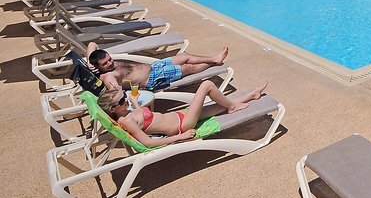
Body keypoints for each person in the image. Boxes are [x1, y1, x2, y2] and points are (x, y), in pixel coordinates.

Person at [98, 80, 268, 147]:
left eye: (124, 96)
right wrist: (180, 137)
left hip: (180, 116)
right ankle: (233, 107)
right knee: (207, 85)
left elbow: (138, 114)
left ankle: (251, 95)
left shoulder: (125, 112)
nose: (125, 100)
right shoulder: (126, 122)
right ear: (112, 109)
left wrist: (134, 100)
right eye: (121, 101)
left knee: (220, 105)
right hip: (182, 125)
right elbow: (148, 142)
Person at [87, 42, 228, 91]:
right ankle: (214, 62)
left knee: (185, 56)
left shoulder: (100, 61)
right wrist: (133, 89)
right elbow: (115, 92)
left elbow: (92, 44)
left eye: (109, 59)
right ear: (98, 67)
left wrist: (88, 60)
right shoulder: (108, 77)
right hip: (153, 78)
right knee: (188, 67)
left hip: (154, 66)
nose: (110, 63)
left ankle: (214, 58)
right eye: (105, 64)